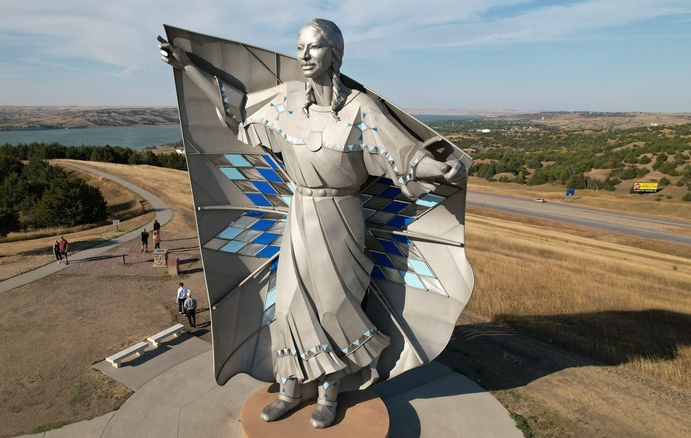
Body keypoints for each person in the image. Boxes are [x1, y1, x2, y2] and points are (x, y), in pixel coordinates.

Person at [160, 19, 466, 428]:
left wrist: (440, 171)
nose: (303, 56)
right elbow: (236, 108)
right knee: (289, 303)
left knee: (334, 305)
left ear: (334, 54)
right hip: (300, 215)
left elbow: (403, 155)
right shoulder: (286, 101)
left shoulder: (361, 109)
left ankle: (329, 392)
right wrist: (188, 67)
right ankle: (289, 389)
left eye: (314, 47)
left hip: (342, 217)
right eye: (299, 47)